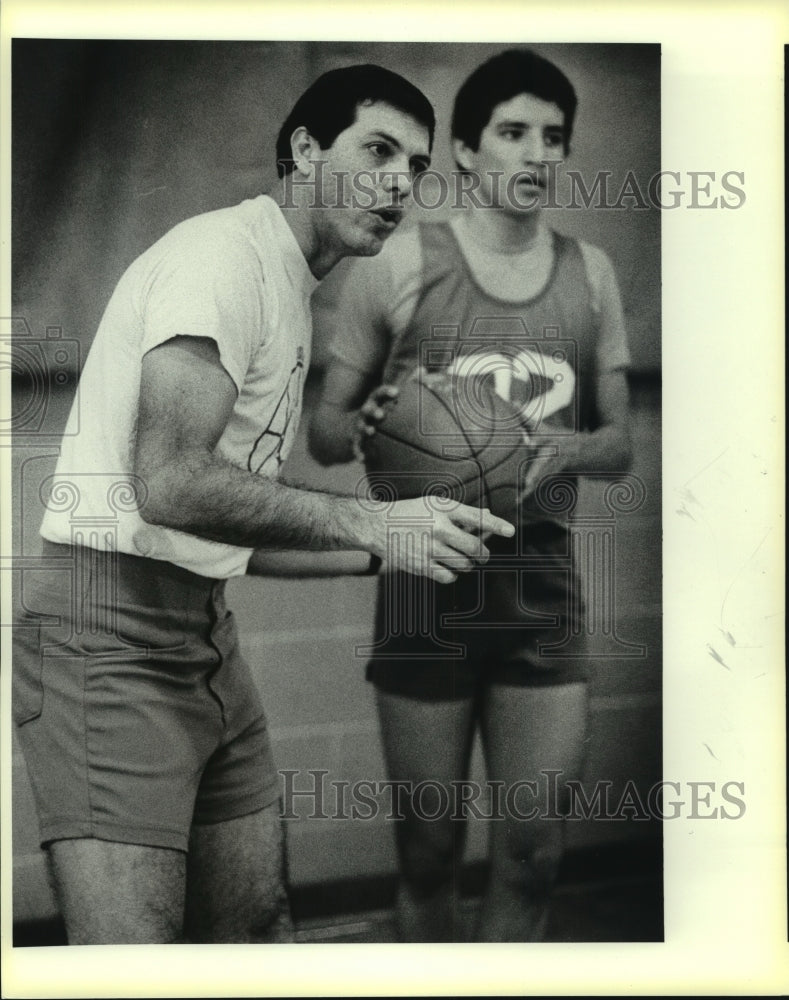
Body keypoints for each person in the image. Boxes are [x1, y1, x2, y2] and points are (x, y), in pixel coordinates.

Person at [12, 63, 515, 946]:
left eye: (414, 164)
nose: (399, 181)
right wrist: (367, 518)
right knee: (136, 969)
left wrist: (399, 546)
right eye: (377, 150)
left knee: (254, 933)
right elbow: (166, 482)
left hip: (202, 640)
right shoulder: (220, 261)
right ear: (304, 150)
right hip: (106, 645)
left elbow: (224, 522)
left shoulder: (289, 286)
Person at [309, 49, 634, 942]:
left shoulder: (590, 272)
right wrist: (370, 415)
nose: (536, 153)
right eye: (512, 132)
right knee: (427, 854)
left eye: (554, 137)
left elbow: (618, 446)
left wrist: (560, 448)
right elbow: (324, 437)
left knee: (533, 858)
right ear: (462, 150)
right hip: (425, 595)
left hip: (541, 592)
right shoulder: (398, 265)